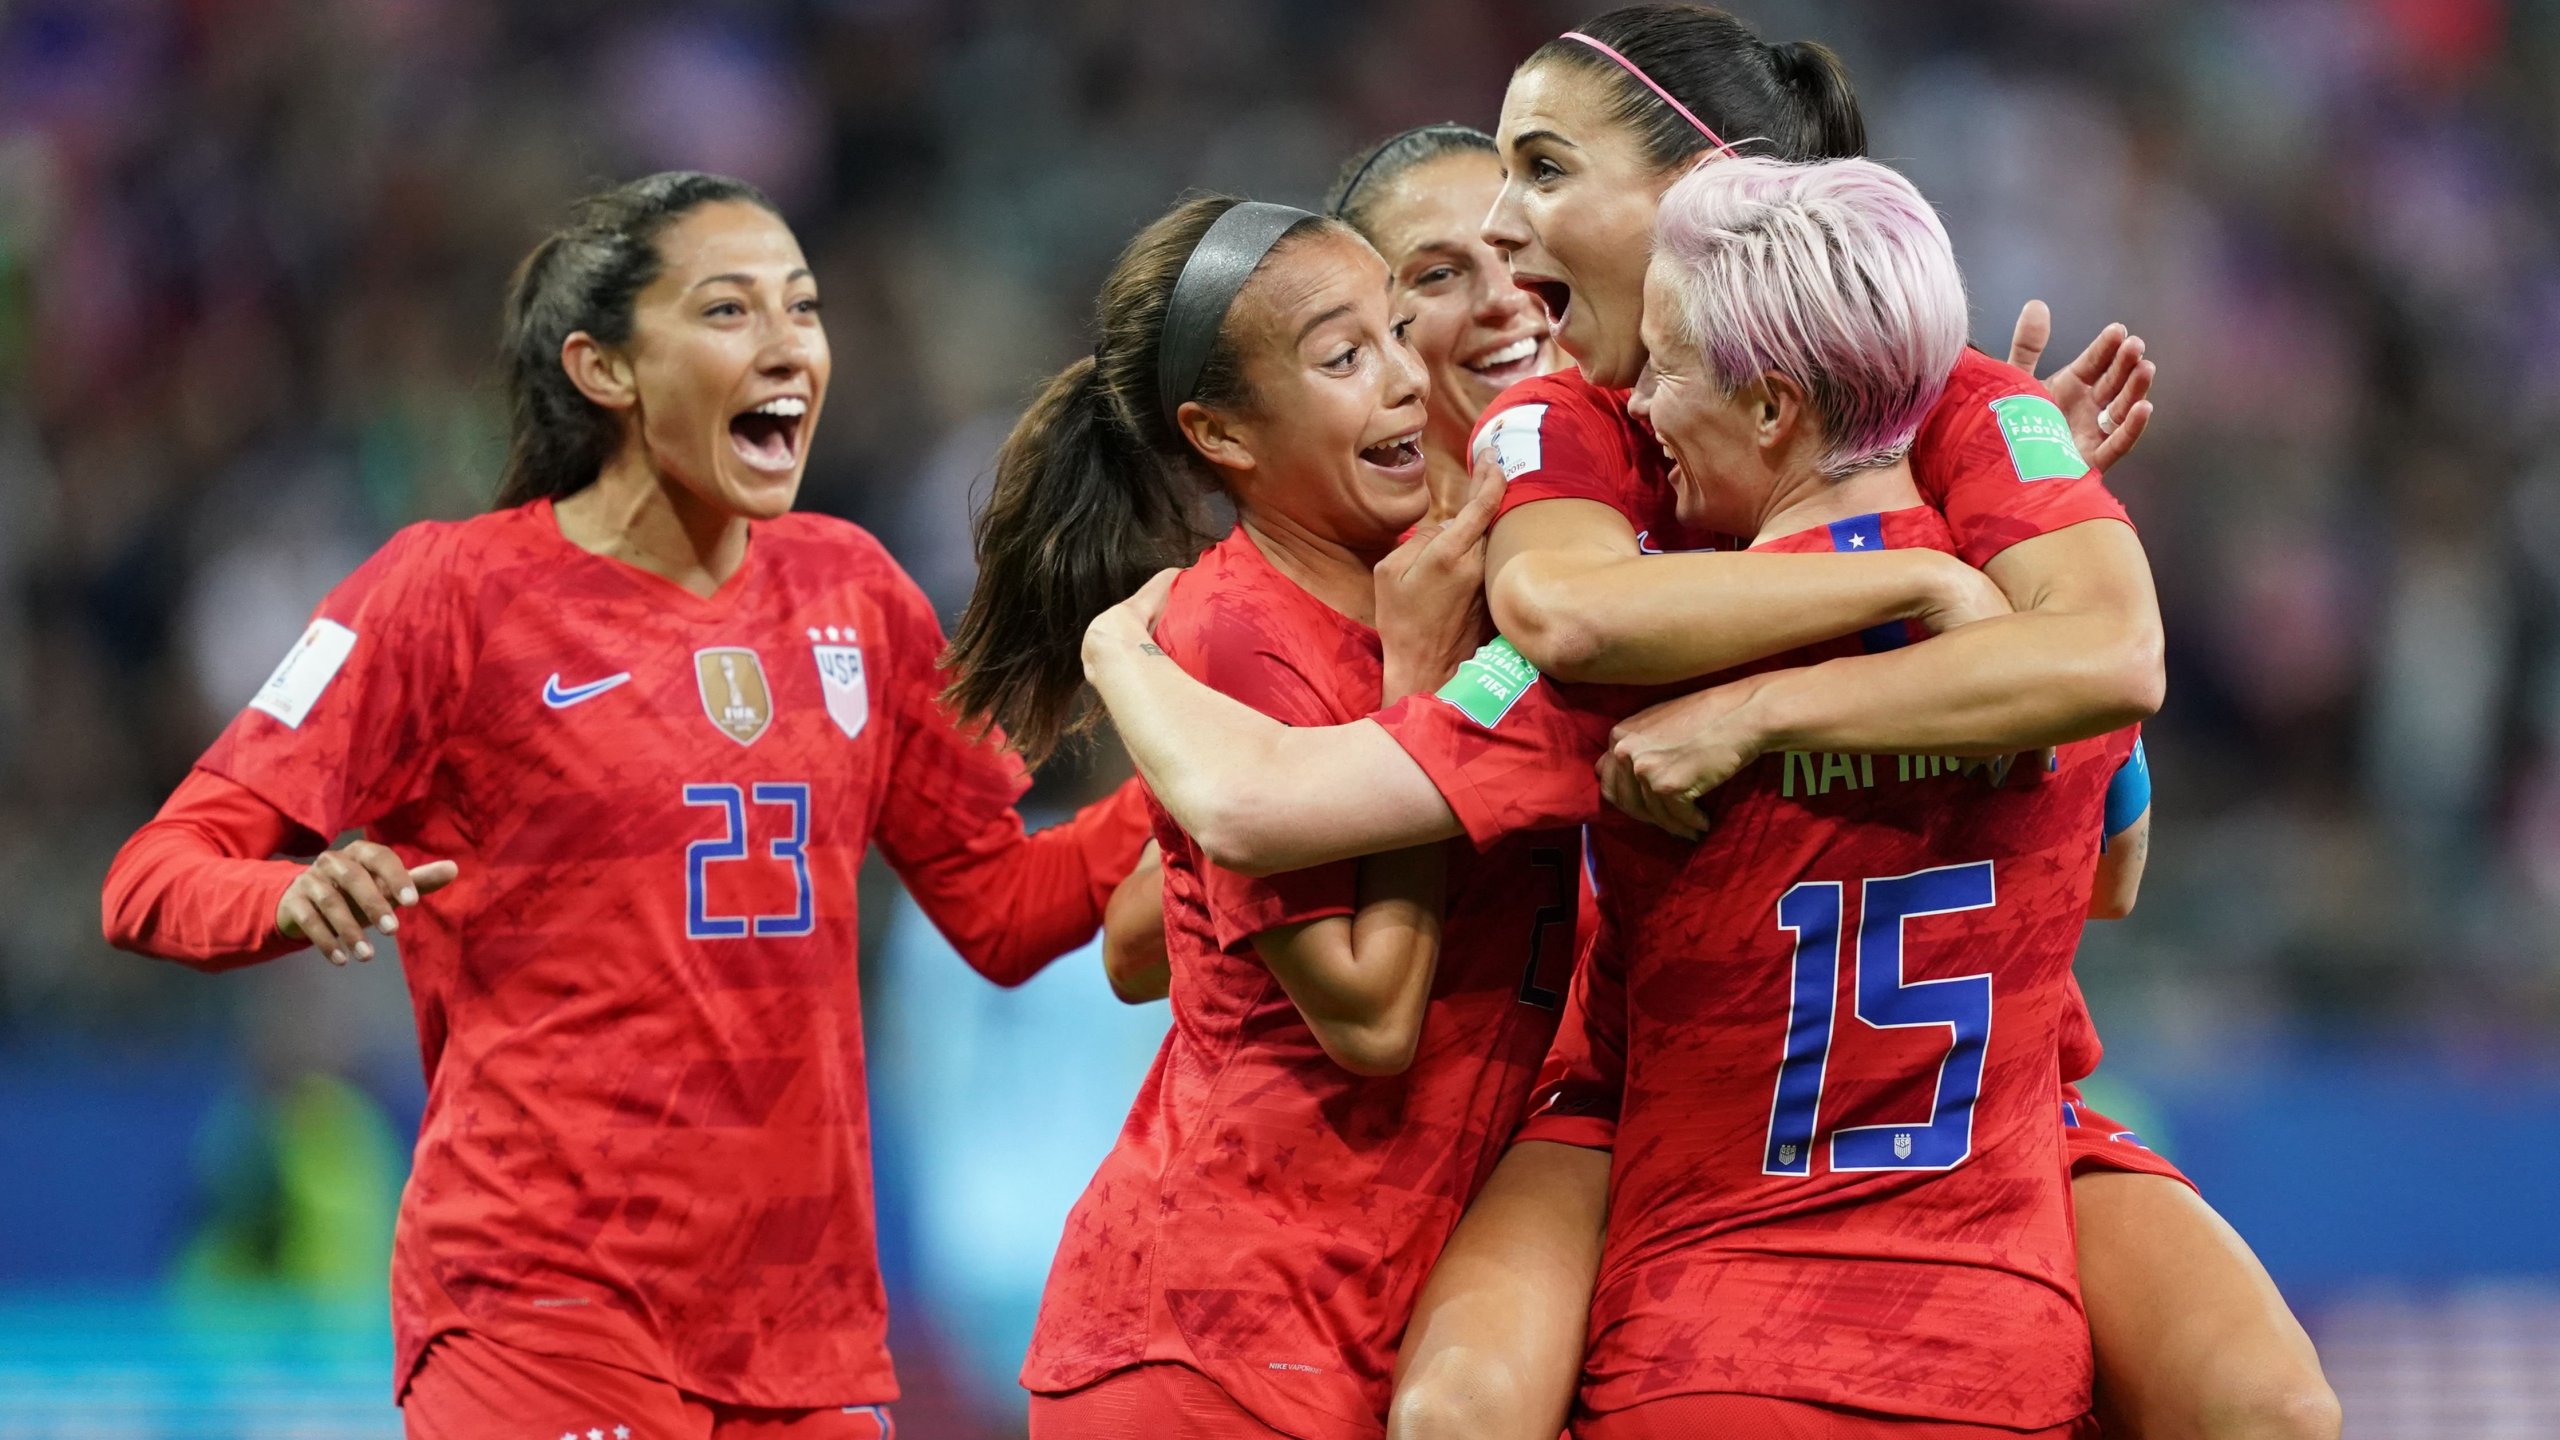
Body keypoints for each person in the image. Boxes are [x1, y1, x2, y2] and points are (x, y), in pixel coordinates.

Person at [1081, 150, 2149, 1438]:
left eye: (1664, 366)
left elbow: (1250, 816)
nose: (1633, 402)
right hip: (1989, 1347)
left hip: (1709, 1342)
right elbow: (2114, 872)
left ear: (1766, 405)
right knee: (2272, 1403)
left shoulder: (1615, 664)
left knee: (1456, 1417)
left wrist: (1115, 654)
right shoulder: (2045, 645)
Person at [98, 171, 1152, 1439]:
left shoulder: (855, 593)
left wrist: (1220, 774)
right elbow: (152, 876)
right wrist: (292, 890)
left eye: (802, 309)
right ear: (604, 369)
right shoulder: (450, 596)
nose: (788, 347)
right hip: (541, 1307)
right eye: (728, 311)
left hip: (798, 1331)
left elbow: (1002, 906)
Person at [942, 192, 1573, 1440]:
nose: (1403, 380)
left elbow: (1141, 940)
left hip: (1353, 1317)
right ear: (1219, 433)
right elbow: (1371, 1014)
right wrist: (1419, 695)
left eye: (1400, 331)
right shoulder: (1238, 631)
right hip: (1209, 1343)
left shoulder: (1444, 579)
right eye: (1344, 359)